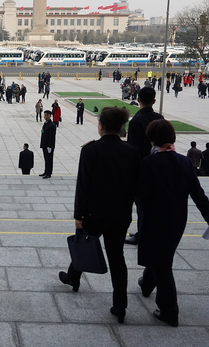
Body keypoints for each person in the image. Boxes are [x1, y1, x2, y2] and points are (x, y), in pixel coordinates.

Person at [58, 107, 141, 324]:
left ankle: (73, 279)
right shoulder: (132, 151)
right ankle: (120, 305)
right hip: (120, 216)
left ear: (101, 126)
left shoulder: (90, 150)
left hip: (93, 213)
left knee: (84, 244)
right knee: (117, 258)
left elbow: (82, 185)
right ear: (121, 127)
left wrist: (78, 215)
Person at [136, 119, 209, 327]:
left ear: (152, 139)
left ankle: (169, 311)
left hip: (154, 220)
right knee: (160, 255)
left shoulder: (149, 163)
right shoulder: (185, 162)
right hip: (176, 220)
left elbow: (140, 195)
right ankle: (146, 284)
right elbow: (197, 194)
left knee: (163, 264)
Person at [125, 87, 164, 246]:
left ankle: (142, 234)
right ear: (154, 101)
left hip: (142, 168)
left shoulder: (136, 121)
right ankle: (150, 231)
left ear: (138, 100)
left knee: (141, 205)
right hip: (159, 166)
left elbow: (133, 149)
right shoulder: (159, 118)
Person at [39, 110, 56, 179]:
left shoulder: (52, 125)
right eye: (45, 115)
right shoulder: (45, 123)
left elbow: (52, 137)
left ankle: (49, 173)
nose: (46, 117)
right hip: (44, 144)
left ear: (50, 116)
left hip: (49, 145)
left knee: (49, 159)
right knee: (46, 159)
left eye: (47, 115)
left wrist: (50, 146)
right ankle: (46, 171)